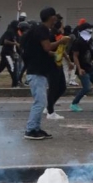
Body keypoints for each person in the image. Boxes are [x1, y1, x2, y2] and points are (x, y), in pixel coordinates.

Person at [22, 7, 72, 140]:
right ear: (52, 17)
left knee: (41, 101)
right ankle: (30, 129)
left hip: (39, 71)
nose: (56, 18)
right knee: (40, 102)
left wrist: (56, 55)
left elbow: (44, 50)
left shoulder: (39, 29)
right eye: (55, 16)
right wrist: (61, 41)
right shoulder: (42, 29)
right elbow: (47, 47)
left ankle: (36, 128)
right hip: (36, 72)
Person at [69, 22, 93, 113]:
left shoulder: (89, 40)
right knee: (86, 88)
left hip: (91, 67)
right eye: (89, 29)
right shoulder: (78, 42)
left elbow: (91, 53)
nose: (91, 31)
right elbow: (75, 56)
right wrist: (79, 69)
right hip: (83, 69)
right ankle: (74, 103)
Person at [45, 22, 69, 121]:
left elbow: (62, 50)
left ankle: (49, 106)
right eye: (61, 27)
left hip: (58, 64)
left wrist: (69, 61)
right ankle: (50, 111)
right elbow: (48, 48)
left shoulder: (60, 36)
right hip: (51, 65)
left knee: (62, 87)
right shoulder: (50, 36)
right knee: (53, 88)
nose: (63, 29)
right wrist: (60, 41)